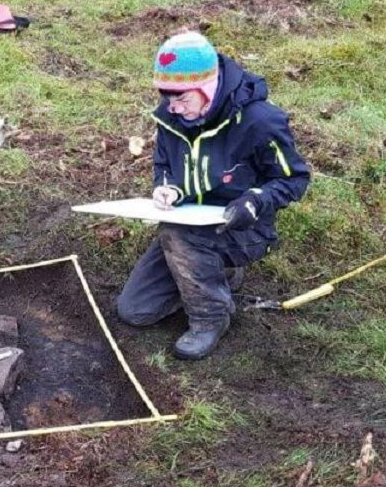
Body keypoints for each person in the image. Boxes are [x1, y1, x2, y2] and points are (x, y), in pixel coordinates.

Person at [116, 31, 310, 360]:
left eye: (182, 99)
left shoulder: (260, 121)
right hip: (189, 224)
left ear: (208, 87)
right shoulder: (171, 118)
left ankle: (211, 318)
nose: (173, 108)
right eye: (166, 98)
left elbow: (294, 178)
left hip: (244, 227)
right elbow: (164, 163)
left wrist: (255, 200)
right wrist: (167, 187)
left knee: (178, 236)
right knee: (134, 310)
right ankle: (217, 273)